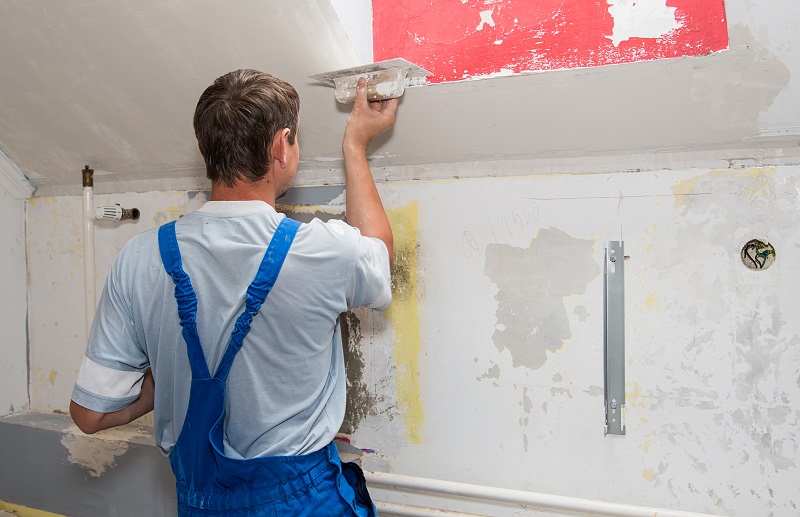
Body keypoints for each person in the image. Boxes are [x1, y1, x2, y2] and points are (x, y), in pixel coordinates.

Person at [69, 69, 397, 516]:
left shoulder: (139, 257)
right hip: (300, 502)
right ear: (282, 145)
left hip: (199, 504)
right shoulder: (322, 251)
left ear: (208, 149)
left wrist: (172, 372)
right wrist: (355, 146)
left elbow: (90, 415)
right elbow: (378, 253)